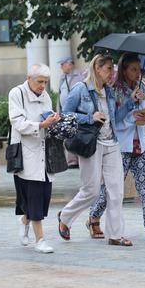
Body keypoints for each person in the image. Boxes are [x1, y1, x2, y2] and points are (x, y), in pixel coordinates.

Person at [88, 54, 145, 243]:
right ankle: (93, 217)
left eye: (139, 69)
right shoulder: (114, 91)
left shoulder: (142, 86)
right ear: (124, 70)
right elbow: (116, 121)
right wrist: (132, 111)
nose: (138, 73)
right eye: (133, 69)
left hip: (143, 145)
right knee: (111, 189)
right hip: (121, 146)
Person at [59, 54, 132, 247]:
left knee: (116, 191)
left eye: (112, 69)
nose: (112, 73)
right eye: (108, 68)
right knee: (90, 190)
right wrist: (89, 117)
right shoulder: (80, 89)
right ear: (97, 69)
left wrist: (131, 102)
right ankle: (65, 217)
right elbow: (65, 114)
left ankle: (115, 235)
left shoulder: (108, 91)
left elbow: (114, 118)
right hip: (92, 143)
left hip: (112, 143)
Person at [9, 64, 60, 254]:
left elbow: (48, 120)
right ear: (29, 78)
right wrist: (41, 124)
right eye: (40, 81)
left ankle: (24, 221)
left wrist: (55, 121)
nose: (43, 86)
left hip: (45, 153)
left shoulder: (46, 96)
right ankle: (40, 240)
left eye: (45, 82)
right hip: (25, 154)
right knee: (34, 197)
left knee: (44, 196)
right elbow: (18, 123)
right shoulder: (17, 93)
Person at [57, 55, 85, 168]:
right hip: (64, 112)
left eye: (63, 64)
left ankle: (79, 159)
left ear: (70, 64)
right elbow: (59, 95)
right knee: (67, 134)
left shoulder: (79, 76)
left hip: (76, 112)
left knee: (77, 135)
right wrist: (58, 111)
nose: (61, 66)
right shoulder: (62, 78)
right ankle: (71, 161)